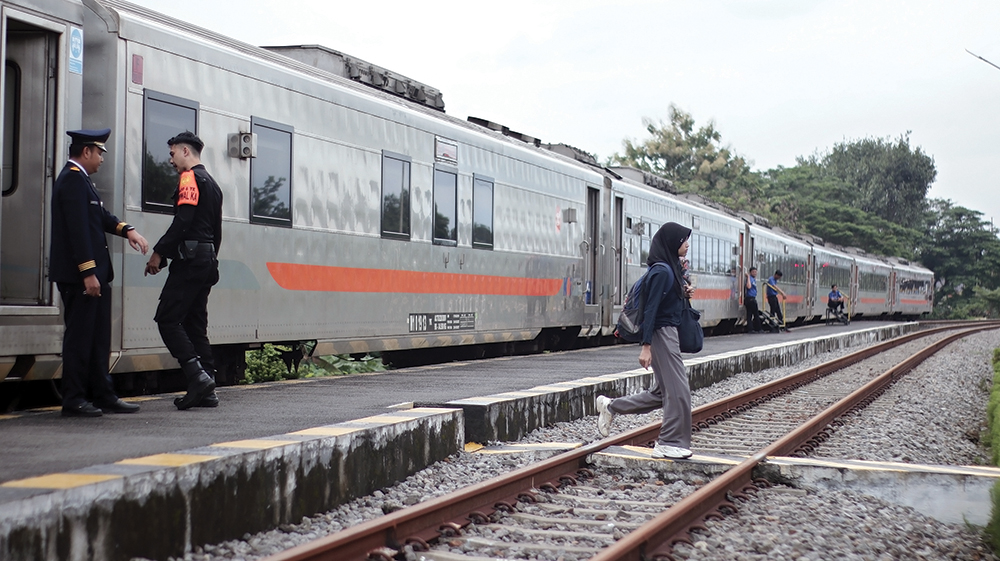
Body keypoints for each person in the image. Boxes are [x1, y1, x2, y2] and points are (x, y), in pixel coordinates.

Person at [50, 128, 149, 417]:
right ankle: (74, 399)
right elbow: (78, 231)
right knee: (80, 339)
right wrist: (88, 273)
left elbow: (99, 217)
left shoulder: (82, 181)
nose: (102, 159)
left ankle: (103, 394)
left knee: (97, 339)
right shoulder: (71, 180)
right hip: (80, 277)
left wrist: (126, 229)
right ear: (86, 152)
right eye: (100, 153)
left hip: (93, 276)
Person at [595, 222, 696, 459]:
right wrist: (646, 346)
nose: (687, 244)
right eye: (684, 240)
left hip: (667, 332)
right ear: (673, 243)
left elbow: (663, 303)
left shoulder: (669, 269)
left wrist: (682, 293)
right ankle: (668, 442)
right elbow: (650, 311)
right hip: (662, 334)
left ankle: (610, 406)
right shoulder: (663, 271)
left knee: (661, 394)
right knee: (679, 391)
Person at [144, 132, 223, 410]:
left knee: (167, 319)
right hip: (207, 260)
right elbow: (217, 232)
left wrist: (159, 252)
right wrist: (209, 259)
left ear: (186, 151)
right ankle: (208, 388)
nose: (170, 160)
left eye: (172, 153)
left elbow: (183, 221)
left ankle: (197, 377)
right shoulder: (212, 184)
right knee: (194, 324)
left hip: (190, 261)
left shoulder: (189, 178)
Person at [744, 266, 761, 333]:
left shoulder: (753, 279)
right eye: (753, 272)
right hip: (750, 298)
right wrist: (748, 277)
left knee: (750, 314)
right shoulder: (750, 279)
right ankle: (757, 328)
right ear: (750, 272)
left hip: (753, 298)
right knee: (755, 314)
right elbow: (748, 286)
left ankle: (751, 328)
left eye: (755, 272)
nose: (755, 273)